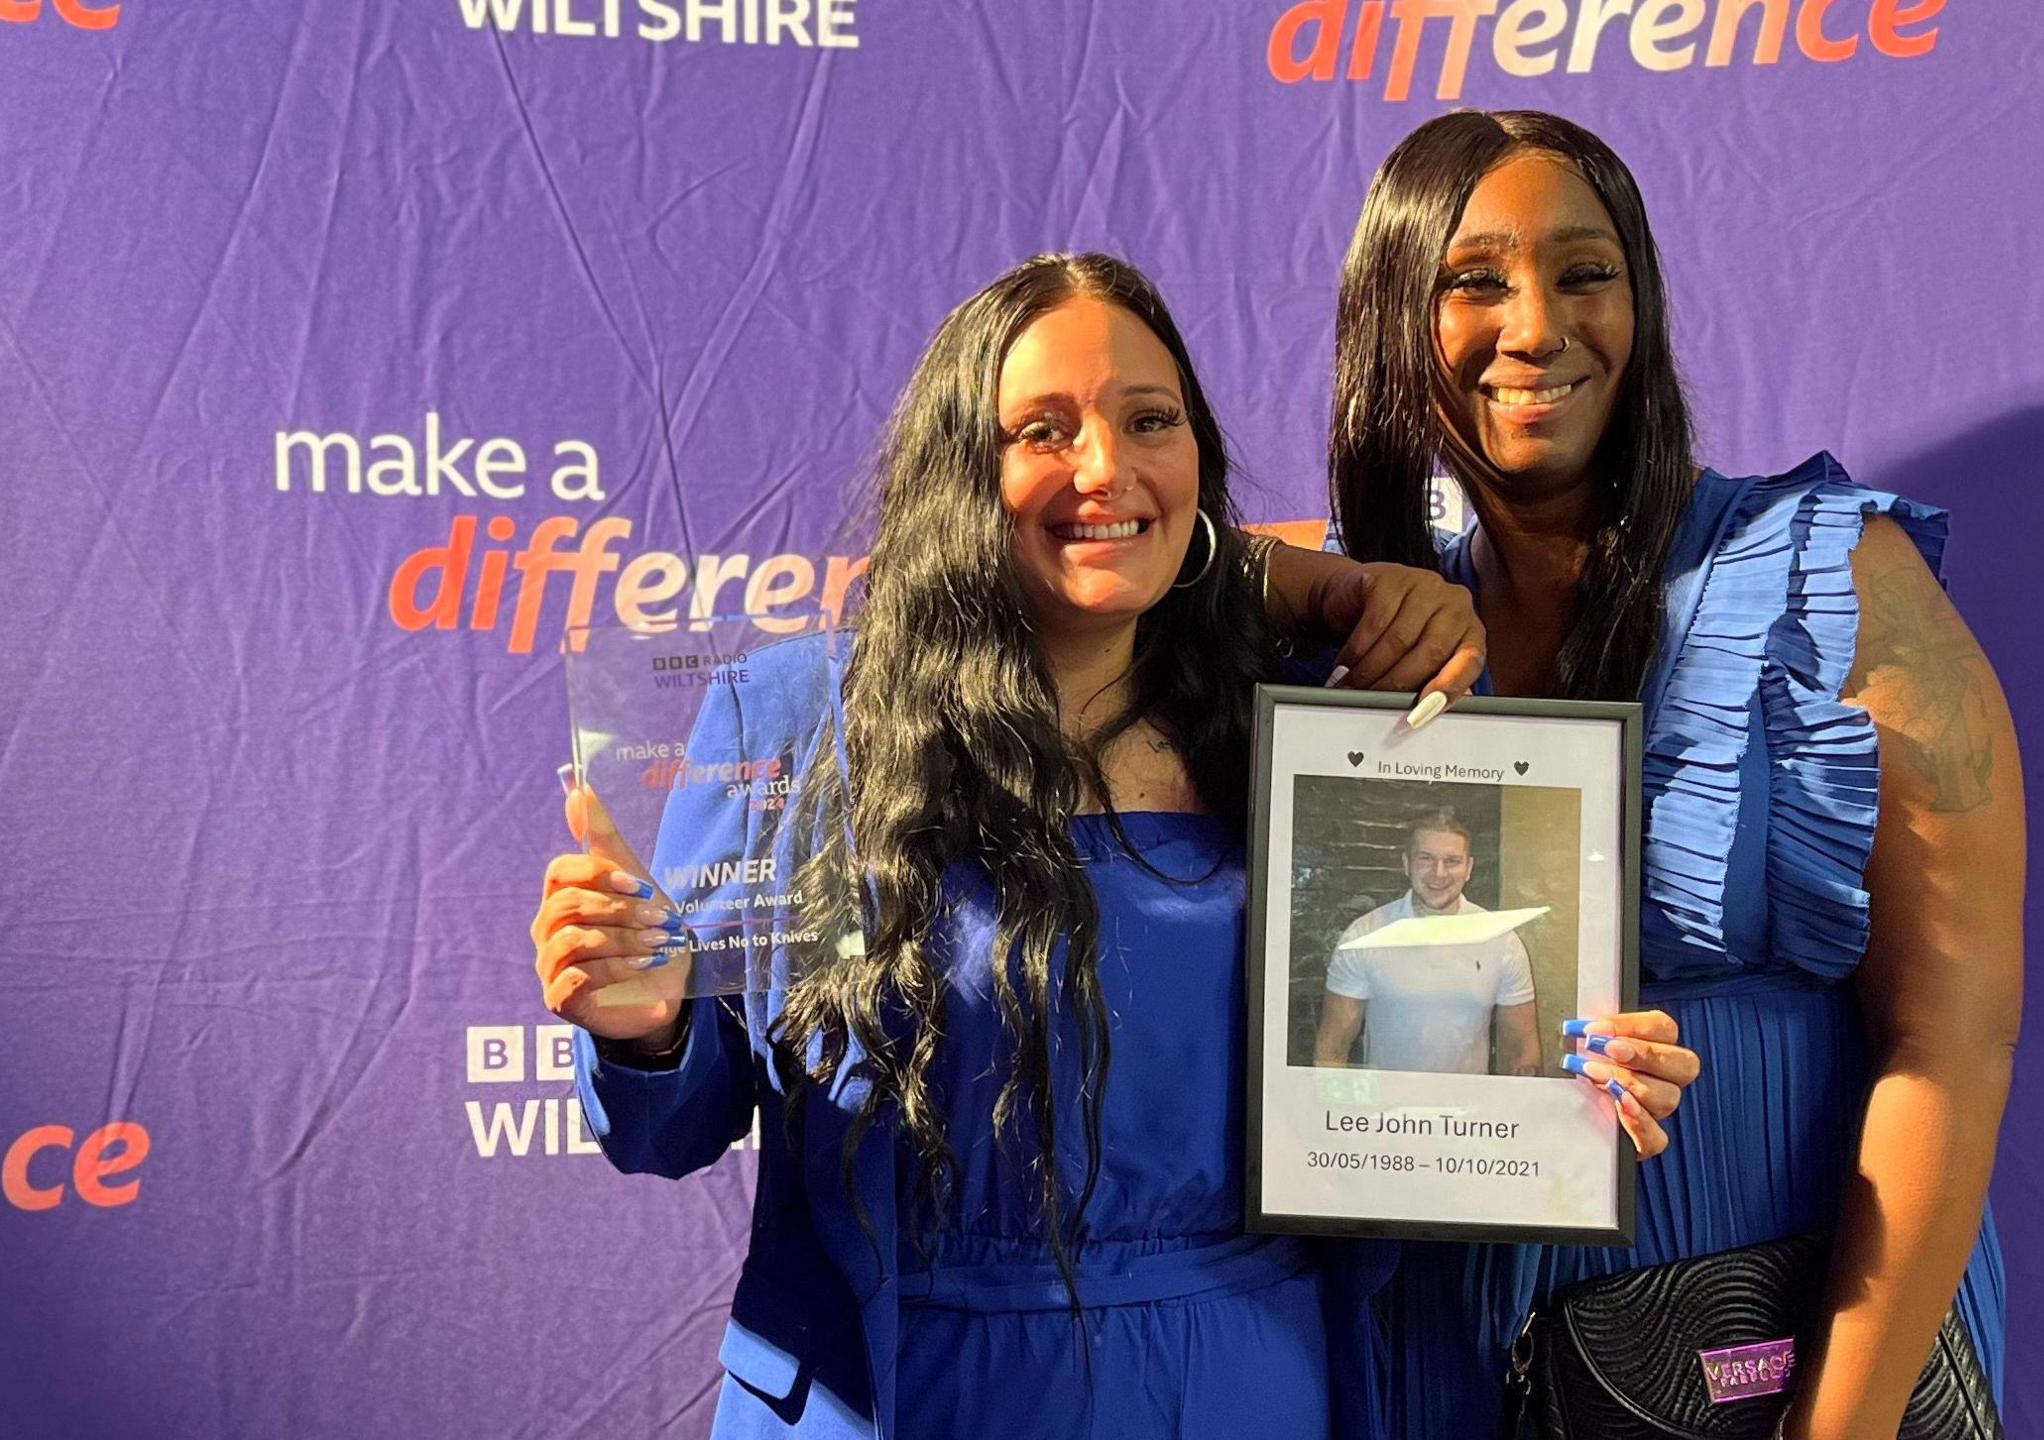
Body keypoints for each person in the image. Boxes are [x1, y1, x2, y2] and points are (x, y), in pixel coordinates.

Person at [528, 252, 1698, 1439]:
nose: (1108, 469)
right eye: (1043, 429)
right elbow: (668, 1132)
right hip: (896, 1391)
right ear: (959, 475)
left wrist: (1571, 1086)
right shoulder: (789, 722)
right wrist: (646, 1031)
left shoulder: (1310, 734)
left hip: (1239, 1386)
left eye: (1151, 419)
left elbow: (1403, 1077)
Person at [1307, 111, 2026, 1440]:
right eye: (1474, 280)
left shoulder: (1834, 580)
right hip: (1438, 1350)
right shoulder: (1363, 633)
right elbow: (1114, 555)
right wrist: (1333, 575)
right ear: (1393, 317)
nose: (1537, 326)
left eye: (1586, 272)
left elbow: (1954, 1043)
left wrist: (1838, 1429)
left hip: (1769, 1349)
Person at [1314, 807, 1541, 1076]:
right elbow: (1331, 1050)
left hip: (1469, 1114)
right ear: (1406, 864)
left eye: (1452, 861)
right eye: (1426, 859)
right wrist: (1343, 1115)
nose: (1439, 873)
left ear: (1469, 868)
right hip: (1385, 1114)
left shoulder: (1503, 941)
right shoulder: (1364, 936)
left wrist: (1511, 1114)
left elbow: (1522, 1052)